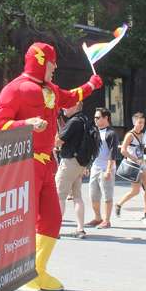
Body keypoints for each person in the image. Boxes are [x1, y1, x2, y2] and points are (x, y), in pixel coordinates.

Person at [0, 41, 102, 291]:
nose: (55, 67)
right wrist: (27, 123)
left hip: (46, 163)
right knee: (25, 221)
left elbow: (69, 96)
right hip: (24, 163)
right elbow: (0, 125)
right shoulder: (14, 89)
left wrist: (91, 85)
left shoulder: (50, 88)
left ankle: (38, 270)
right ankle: (22, 275)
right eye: (52, 63)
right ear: (41, 61)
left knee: (52, 219)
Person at [55, 101, 93, 238]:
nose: (64, 107)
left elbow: (58, 141)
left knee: (59, 196)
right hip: (81, 162)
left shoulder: (73, 122)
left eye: (67, 104)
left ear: (76, 106)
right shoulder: (85, 119)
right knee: (77, 197)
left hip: (69, 161)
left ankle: (55, 230)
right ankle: (80, 229)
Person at [114, 112, 146, 220]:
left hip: (142, 164)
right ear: (134, 123)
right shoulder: (130, 135)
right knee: (135, 191)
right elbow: (123, 150)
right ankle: (118, 204)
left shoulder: (142, 135)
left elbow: (140, 149)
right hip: (133, 165)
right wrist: (134, 159)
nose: (142, 125)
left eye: (143, 123)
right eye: (140, 122)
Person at [89, 108, 119, 230]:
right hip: (95, 167)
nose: (95, 120)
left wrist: (108, 170)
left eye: (98, 117)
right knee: (93, 195)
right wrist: (87, 166)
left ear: (106, 118)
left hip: (106, 168)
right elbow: (92, 151)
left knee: (107, 196)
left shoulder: (111, 133)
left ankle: (107, 221)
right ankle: (97, 218)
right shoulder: (96, 131)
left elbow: (113, 153)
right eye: (95, 117)